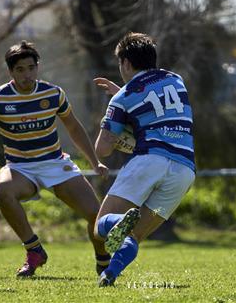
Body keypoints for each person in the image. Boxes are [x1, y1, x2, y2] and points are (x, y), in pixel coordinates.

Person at [0, 40, 111, 278]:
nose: (27, 74)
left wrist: (95, 162)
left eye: (31, 68)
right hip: (20, 167)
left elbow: (74, 128)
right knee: (2, 190)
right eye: (20, 70)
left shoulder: (53, 94)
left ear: (37, 67)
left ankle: (103, 262)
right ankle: (34, 250)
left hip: (55, 163)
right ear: (10, 72)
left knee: (96, 215)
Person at [93, 32, 196, 286]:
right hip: (184, 169)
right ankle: (110, 274)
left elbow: (102, 149)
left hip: (150, 161)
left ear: (126, 63)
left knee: (100, 228)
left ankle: (120, 220)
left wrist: (111, 115)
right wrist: (124, 96)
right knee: (134, 236)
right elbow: (154, 99)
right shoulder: (176, 80)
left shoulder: (122, 98)